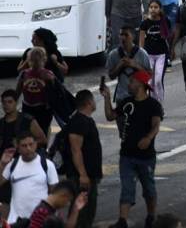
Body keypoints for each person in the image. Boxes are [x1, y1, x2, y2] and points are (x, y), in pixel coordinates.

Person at [102, 70, 162, 228]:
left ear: (141, 85)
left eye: (131, 82)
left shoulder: (153, 105)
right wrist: (107, 97)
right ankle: (122, 220)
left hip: (146, 157)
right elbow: (110, 116)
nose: (128, 85)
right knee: (127, 188)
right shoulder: (126, 102)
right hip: (127, 155)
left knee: (149, 188)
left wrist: (148, 138)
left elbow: (156, 125)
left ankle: (151, 216)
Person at [61, 90, 102, 228]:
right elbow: (75, 149)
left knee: (88, 212)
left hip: (88, 175)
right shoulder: (79, 122)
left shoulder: (84, 120)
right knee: (81, 214)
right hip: (82, 177)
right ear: (89, 102)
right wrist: (83, 175)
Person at [2, 132, 57, 225]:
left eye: (31, 144)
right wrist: (2, 164)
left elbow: (55, 193)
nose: (28, 148)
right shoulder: (12, 164)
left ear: (36, 144)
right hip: (16, 221)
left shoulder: (48, 165)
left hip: (39, 220)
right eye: (24, 146)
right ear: (18, 147)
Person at [105, 28, 152, 108]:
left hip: (139, 97)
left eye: (126, 35)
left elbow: (149, 75)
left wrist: (135, 65)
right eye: (121, 35)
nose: (123, 37)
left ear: (133, 37)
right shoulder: (113, 55)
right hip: (121, 97)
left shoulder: (142, 54)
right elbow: (111, 76)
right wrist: (119, 65)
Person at [16, 48, 56, 137]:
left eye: (38, 60)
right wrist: (14, 102)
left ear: (44, 60)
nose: (36, 63)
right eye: (33, 60)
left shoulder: (48, 75)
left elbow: (54, 92)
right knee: (28, 131)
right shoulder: (24, 74)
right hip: (28, 107)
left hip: (43, 108)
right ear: (29, 61)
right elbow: (18, 90)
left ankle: (43, 148)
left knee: (43, 130)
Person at [138, 1, 172, 103]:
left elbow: (168, 37)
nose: (153, 9)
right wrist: (141, 57)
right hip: (149, 55)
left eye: (156, 7)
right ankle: (154, 104)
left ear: (160, 9)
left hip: (161, 54)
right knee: (150, 82)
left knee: (158, 81)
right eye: (151, 7)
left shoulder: (165, 21)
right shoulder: (145, 23)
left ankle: (160, 103)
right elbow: (141, 42)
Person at [24, 180, 88, 228]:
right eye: (69, 201)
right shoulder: (42, 212)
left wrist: (75, 209)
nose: (67, 204)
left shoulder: (52, 210)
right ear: (64, 196)